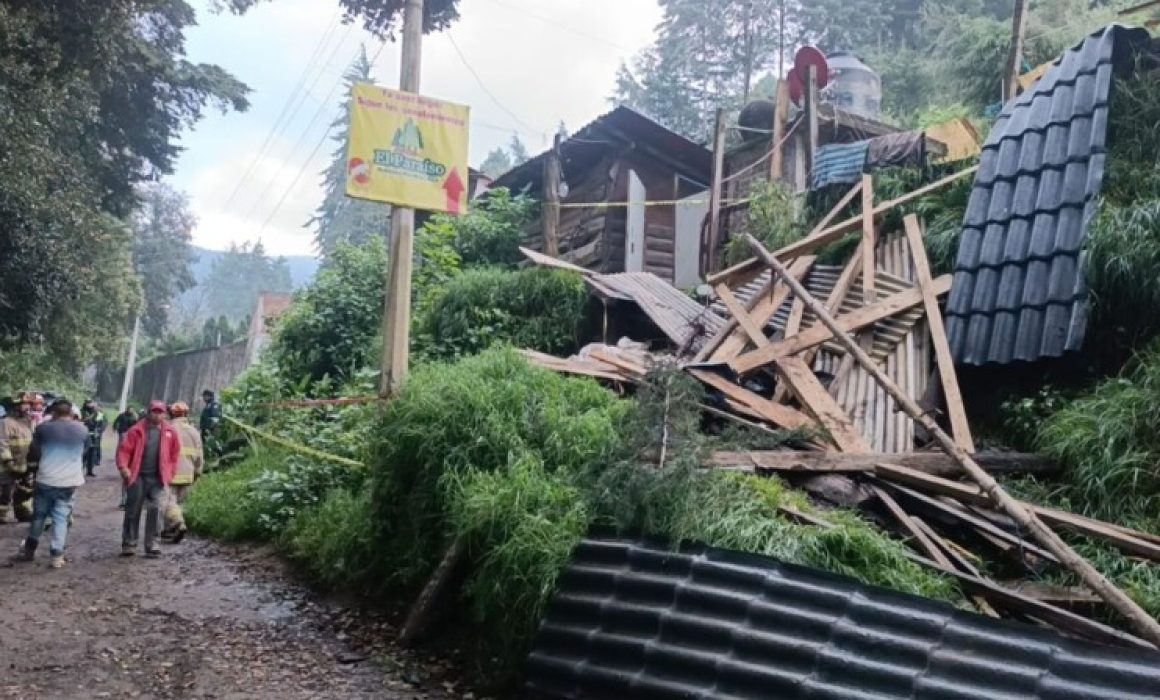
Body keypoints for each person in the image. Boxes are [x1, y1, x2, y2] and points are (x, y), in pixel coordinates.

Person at [12, 399, 88, 568]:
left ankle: (29, 550)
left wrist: (29, 473)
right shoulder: (82, 430)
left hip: (46, 479)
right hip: (69, 482)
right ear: (70, 412)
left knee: (39, 515)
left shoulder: (42, 429)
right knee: (61, 517)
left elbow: (33, 455)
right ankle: (57, 555)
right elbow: (85, 452)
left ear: (53, 413)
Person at [116, 400, 180, 558]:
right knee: (133, 510)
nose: (157, 415)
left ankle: (152, 544)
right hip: (137, 476)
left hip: (158, 478)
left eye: (160, 412)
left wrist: (170, 473)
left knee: (156, 509)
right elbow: (124, 451)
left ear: (164, 414)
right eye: (154, 412)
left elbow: (174, 455)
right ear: (148, 412)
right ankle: (129, 543)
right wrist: (124, 468)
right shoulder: (136, 431)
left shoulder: (170, 432)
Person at [161, 402, 202, 544]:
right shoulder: (194, 432)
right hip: (188, 474)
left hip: (171, 473)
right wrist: (197, 472)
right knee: (178, 502)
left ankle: (178, 523)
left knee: (168, 502)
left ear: (171, 413)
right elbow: (199, 456)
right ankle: (169, 530)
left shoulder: (167, 429)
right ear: (186, 414)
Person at [0, 393, 34, 523]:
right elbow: (2, 443)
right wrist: (8, 462)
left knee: (24, 491)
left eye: (28, 405)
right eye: (24, 405)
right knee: (5, 492)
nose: (27, 408)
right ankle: (1, 516)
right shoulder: (5, 423)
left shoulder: (28, 421)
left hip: (24, 463)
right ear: (15, 406)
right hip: (7, 465)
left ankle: (22, 514)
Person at [81, 399, 107, 478]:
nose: (89, 404)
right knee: (83, 453)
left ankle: (90, 471)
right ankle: (80, 470)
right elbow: (81, 421)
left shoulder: (99, 414)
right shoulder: (82, 412)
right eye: (88, 403)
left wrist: (99, 431)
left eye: (91, 403)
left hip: (94, 436)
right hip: (83, 435)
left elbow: (102, 424)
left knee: (92, 454)